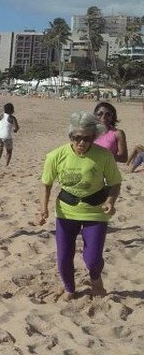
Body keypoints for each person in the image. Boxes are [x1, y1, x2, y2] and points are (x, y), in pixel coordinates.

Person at [35, 112, 122, 300]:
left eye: (87, 139)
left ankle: (96, 279)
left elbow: (115, 183)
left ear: (94, 137)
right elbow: (46, 184)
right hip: (66, 211)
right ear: (70, 136)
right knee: (64, 257)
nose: (81, 143)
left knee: (92, 259)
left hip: (95, 212)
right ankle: (69, 289)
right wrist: (43, 209)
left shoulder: (104, 156)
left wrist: (110, 201)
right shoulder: (55, 156)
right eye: (77, 138)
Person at [0, 102, 19, 170]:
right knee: (9, 151)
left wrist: (1, 125)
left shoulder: (1, 116)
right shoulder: (12, 118)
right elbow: (16, 128)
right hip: (6, 136)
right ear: (12, 110)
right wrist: (14, 130)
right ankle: (6, 165)